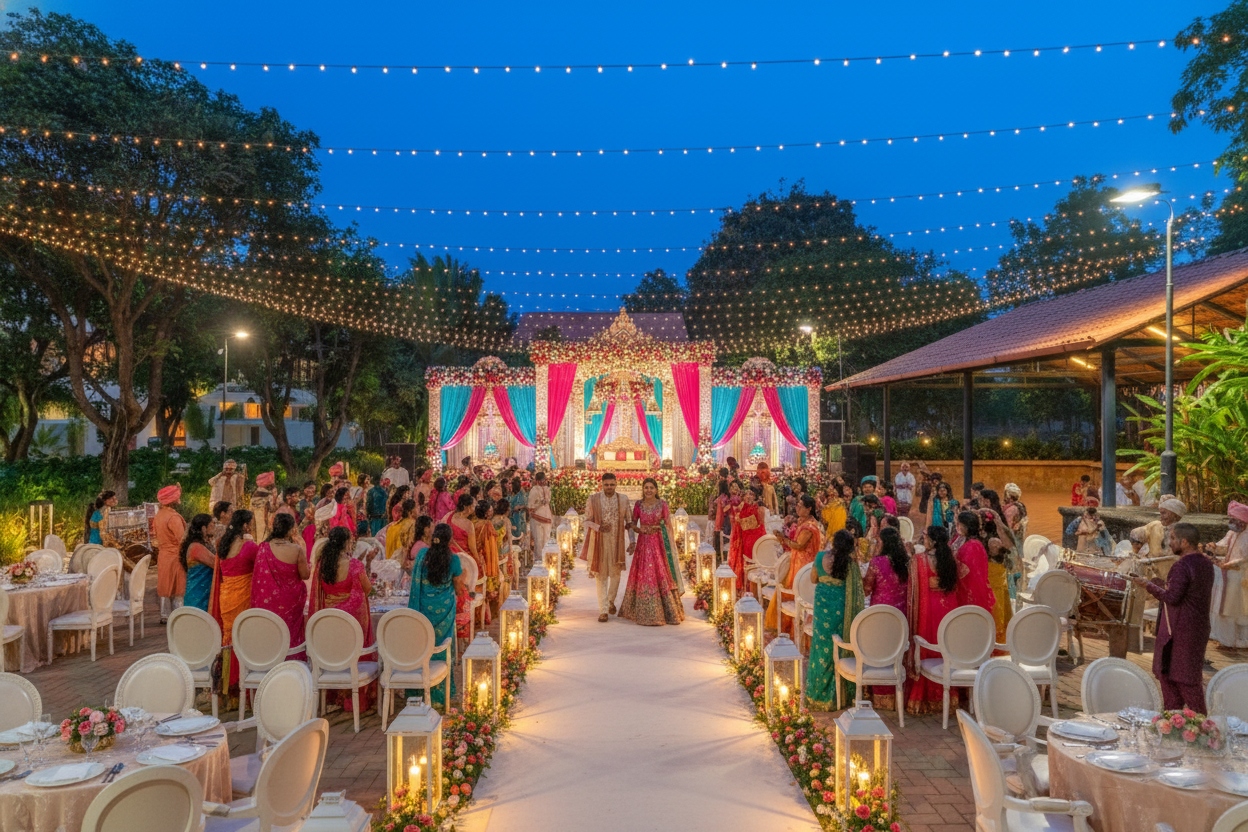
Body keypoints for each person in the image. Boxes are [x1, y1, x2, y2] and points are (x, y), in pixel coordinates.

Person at [1130, 523, 1214, 711]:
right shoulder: (1206, 563)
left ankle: (1198, 725)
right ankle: (1176, 723)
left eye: (1173, 539)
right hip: (1197, 628)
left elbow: (1172, 598)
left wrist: (1146, 585)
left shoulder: (1182, 565)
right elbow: (1186, 591)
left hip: (1178, 630)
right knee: (1178, 677)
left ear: (1184, 542)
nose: (1170, 543)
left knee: (1182, 679)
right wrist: (1159, 583)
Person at [310, 526, 376, 714]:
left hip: (329, 621)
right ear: (346, 542)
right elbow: (367, 589)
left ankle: (333, 696)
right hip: (349, 624)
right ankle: (353, 697)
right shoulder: (354, 565)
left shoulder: (322, 565)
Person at [806, 529, 867, 710]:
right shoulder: (850, 564)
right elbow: (858, 592)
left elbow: (813, 579)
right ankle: (840, 693)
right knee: (839, 645)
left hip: (823, 605)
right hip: (841, 608)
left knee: (820, 646)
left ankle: (818, 694)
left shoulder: (819, 557)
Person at [907, 526, 963, 716]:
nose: (924, 539)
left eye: (925, 536)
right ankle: (949, 695)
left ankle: (925, 696)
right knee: (945, 644)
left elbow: (911, 584)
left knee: (928, 645)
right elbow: (961, 575)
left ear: (932, 540)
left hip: (928, 607)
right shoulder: (951, 559)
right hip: (948, 605)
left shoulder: (919, 560)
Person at [408, 522, 465, 708]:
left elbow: (415, 579)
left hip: (422, 609)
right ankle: (440, 694)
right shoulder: (453, 559)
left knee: (423, 644)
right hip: (444, 611)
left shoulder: (423, 555)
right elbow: (458, 587)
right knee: (442, 647)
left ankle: (417, 691)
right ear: (449, 540)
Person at [619, 477, 684, 626]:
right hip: (643, 543)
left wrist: (661, 533)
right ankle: (643, 611)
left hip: (658, 543)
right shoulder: (638, 505)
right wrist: (636, 533)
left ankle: (666, 611)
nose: (648, 490)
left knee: (659, 572)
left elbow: (668, 525)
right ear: (643, 489)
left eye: (651, 488)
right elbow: (631, 524)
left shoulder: (662, 504)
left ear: (656, 490)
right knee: (645, 573)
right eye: (646, 488)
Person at [209, 509, 258, 696]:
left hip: (226, 596)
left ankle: (227, 686)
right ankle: (241, 686)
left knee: (228, 637)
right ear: (245, 525)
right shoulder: (249, 547)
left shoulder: (222, 544)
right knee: (243, 636)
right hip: (243, 596)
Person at [251, 513, 311, 658]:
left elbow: (258, 578)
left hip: (267, 603)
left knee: (270, 631)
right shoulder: (296, 550)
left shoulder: (263, 548)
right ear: (290, 530)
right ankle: (291, 661)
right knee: (289, 634)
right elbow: (305, 575)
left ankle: (267, 659)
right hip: (290, 603)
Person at [767, 495, 824, 632]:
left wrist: (783, 539)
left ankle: (793, 629)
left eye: (800, 505)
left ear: (809, 509)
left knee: (798, 591)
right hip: (797, 561)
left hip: (803, 564)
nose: (797, 508)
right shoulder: (803, 522)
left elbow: (799, 545)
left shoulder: (809, 527)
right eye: (797, 505)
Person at [581, 472, 632, 623]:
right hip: (599, 543)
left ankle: (610, 601)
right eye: (606, 485)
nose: (609, 488)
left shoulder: (623, 499)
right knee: (601, 576)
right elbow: (586, 521)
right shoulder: (593, 499)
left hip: (617, 543)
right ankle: (603, 610)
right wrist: (598, 527)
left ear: (616, 484)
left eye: (612, 485)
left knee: (616, 575)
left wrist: (632, 541)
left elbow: (629, 522)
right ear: (601, 485)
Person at [1207, 501, 1248, 649]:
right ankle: (1225, 639)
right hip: (1227, 577)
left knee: (1233, 611)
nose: (1231, 523)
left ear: (1243, 521)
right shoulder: (1232, 533)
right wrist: (1214, 546)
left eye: (1234, 520)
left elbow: (1245, 559)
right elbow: (1223, 546)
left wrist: (1229, 565)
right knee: (1225, 609)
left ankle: (1232, 642)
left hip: (1241, 578)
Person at [153, 484, 188, 623]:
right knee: (178, 586)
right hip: (175, 555)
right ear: (174, 499)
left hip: (163, 555)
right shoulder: (173, 517)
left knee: (164, 584)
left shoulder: (159, 515)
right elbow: (182, 539)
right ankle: (178, 614)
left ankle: (164, 614)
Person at [953, 511, 995, 614]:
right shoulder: (961, 539)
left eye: (960, 524)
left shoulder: (973, 546)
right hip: (962, 586)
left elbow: (966, 571)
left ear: (967, 526)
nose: (957, 526)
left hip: (969, 589)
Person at [863, 526, 910, 615]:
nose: (877, 544)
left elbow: (866, 589)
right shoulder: (908, 562)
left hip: (880, 612)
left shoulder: (877, 562)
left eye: (879, 542)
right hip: (902, 613)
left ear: (884, 543)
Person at [728, 487, 767, 592]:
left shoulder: (758, 507)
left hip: (756, 539)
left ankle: (752, 589)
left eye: (751, 494)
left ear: (755, 497)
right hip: (746, 538)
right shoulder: (743, 506)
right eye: (747, 494)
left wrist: (739, 519)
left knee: (754, 561)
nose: (749, 496)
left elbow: (755, 523)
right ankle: (748, 588)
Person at [1138, 498, 1187, 579]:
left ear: (1175, 515)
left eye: (1164, 513)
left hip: (1172, 575)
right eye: (1160, 513)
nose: (1161, 517)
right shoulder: (1157, 527)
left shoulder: (1183, 532)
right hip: (1156, 574)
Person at [180, 514, 217, 611]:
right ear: (204, 528)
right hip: (198, 596)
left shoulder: (204, 544)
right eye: (212, 524)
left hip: (204, 593)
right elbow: (216, 563)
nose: (214, 526)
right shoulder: (196, 548)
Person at [528, 471, 553, 552]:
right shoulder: (548, 490)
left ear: (536, 480)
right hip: (547, 515)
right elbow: (548, 501)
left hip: (537, 516)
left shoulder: (534, 490)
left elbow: (530, 505)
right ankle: (546, 556)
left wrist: (531, 510)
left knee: (538, 539)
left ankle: (539, 559)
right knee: (546, 538)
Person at [508, 477, 528, 566]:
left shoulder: (521, 495)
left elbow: (526, 505)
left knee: (520, 539)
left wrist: (519, 507)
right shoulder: (511, 495)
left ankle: (520, 559)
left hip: (519, 519)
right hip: (512, 519)